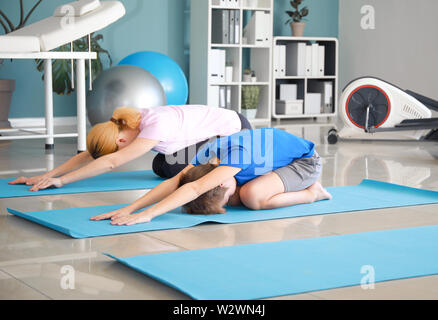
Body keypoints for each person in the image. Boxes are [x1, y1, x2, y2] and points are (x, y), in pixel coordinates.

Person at [90, 128, 332, 226]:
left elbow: (195, 188)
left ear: (219, 179)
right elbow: (177, 181)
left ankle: (313, 193)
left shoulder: (237, 155)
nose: (229, 197)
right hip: (271, 166)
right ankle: (273, 184)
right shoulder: (209, 154)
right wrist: (130, 208)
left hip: (304, 163)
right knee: (236, 198)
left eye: (225, 192)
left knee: (251, 197)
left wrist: (147, 215)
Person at [8, 105, 252, 191]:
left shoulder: (154, 126)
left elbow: (111, 162)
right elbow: (91, 154)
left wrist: (62, 182)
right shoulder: (123, 124)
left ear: (120, 143)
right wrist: (46, 175)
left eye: (115, 150)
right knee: (162, 165)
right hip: (210, 132)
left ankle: (221, 164)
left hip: (235, 131)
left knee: (176, 170)